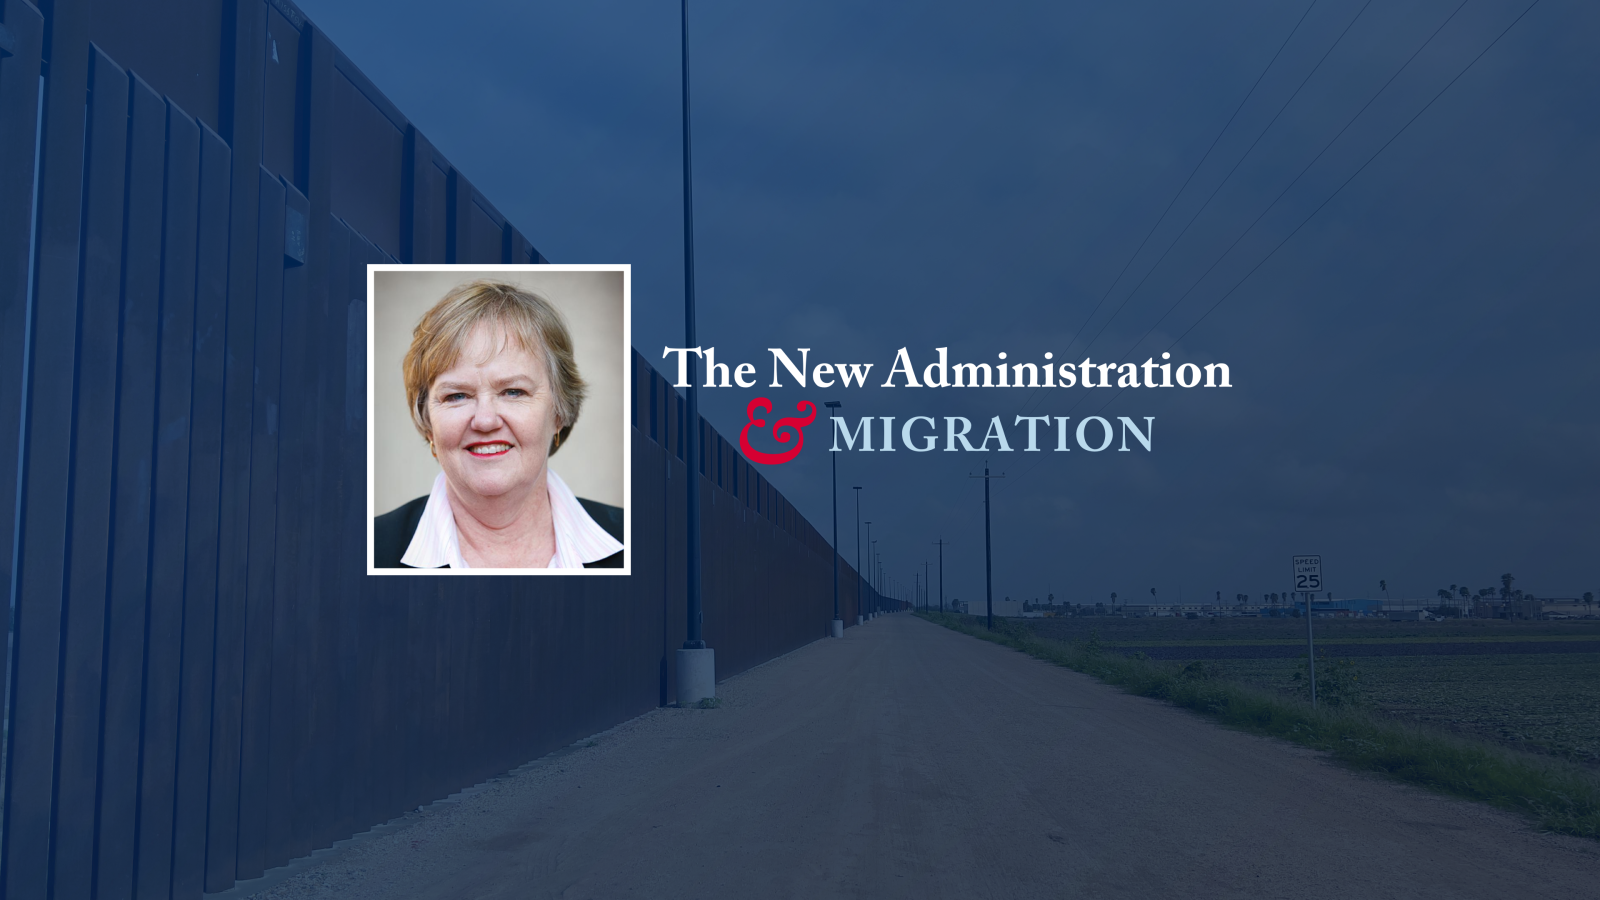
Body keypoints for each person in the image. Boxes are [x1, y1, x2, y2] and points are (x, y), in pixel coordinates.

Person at [374, 280, 623, 569]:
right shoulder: (364, 551)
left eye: (513, 392)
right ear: (427, 422)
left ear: (559, 412)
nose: (485, 420)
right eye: (457, 395)